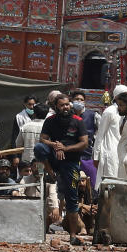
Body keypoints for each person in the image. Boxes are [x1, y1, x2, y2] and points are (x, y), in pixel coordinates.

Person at [35, 93, 88, 244]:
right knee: (39, 148)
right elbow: (43, 139)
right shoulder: (50, 120)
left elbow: (84, 143)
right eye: (62, 105)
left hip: (71, 163)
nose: (65, 107)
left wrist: (65, 148)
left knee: (72, 197)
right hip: (54, 160)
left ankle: (72, 235)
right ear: (56, 107)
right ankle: (50, 172)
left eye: (67, 104)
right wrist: (55, 145)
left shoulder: (78, 121)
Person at [92, 84, 127, 189]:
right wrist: (96, 156)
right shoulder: (109, 111)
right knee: (109, 184)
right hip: (110, 152)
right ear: (117, 97)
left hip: (122, 152)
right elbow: (100, 134)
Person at [69, 90, 99, 183]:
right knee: (71, 184)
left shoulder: (93, 115)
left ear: (84, 102)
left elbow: (99, 134)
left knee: (92, 183)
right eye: (76, 99)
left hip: (87, 156)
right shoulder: (67, 115)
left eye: (81, 100)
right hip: (70, 156)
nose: (79, 101)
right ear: (72, 101)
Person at [14, 103, 47, 170]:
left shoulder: (25, 127)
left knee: (27, 179)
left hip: (27, 163)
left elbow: (18, 144)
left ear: (34, 114)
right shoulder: (48, 127)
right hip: (44, 162)